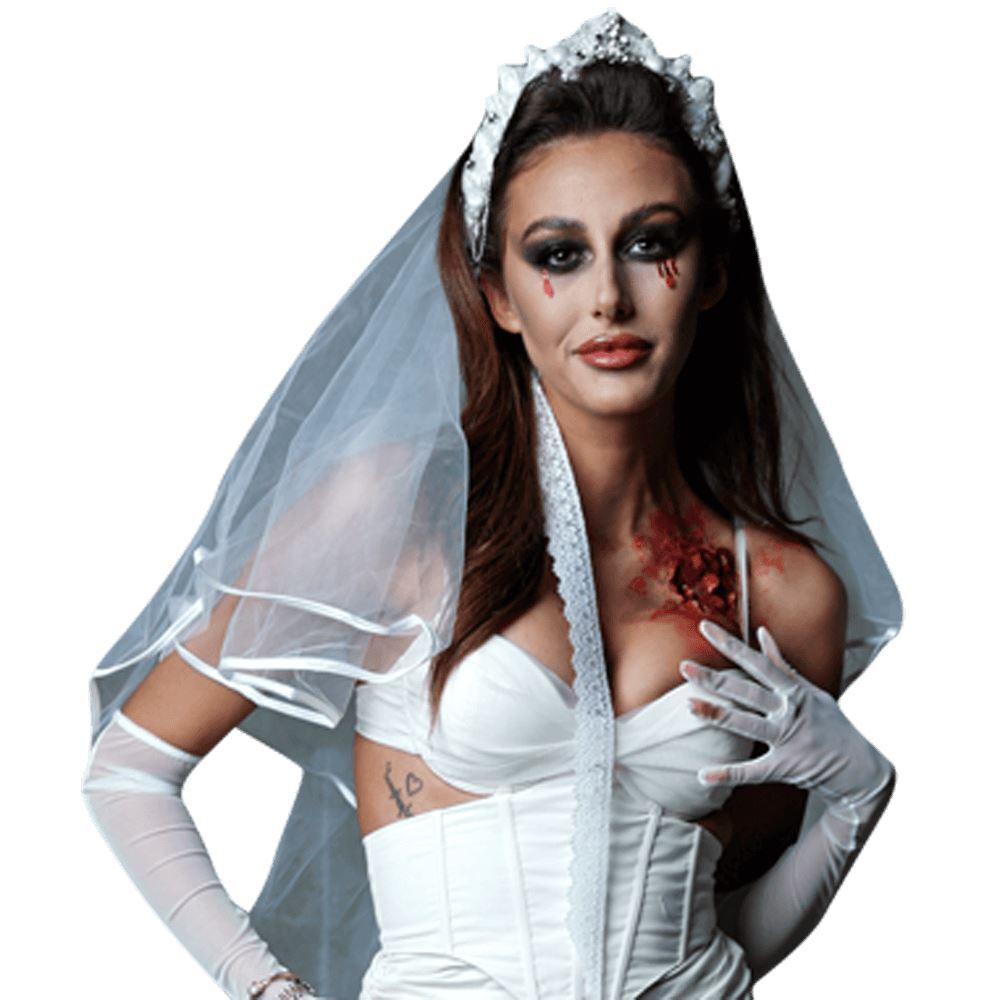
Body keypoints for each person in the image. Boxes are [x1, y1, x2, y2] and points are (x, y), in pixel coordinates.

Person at [80, 9, 901, 999]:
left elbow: (721, 933)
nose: (608, 297)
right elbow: (129, 769)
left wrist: (858, 798)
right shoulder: (397, 519)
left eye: (649, 243)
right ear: (500, 296)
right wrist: (265, 987)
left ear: (711, 274)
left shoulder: (785, 591)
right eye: (559, 253)